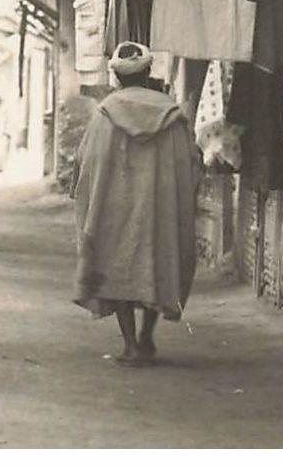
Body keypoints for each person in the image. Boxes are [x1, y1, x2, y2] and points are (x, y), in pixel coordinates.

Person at [72, 42, 203, 366]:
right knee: (157, 266)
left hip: (115, 210)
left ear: (115, 75)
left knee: (119, 269)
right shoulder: (172, 114)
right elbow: (191, 163)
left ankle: (130, 343)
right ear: (148, 72)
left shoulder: (104, 115)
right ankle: (146, 336)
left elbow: (86, 163)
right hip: (160, 210)